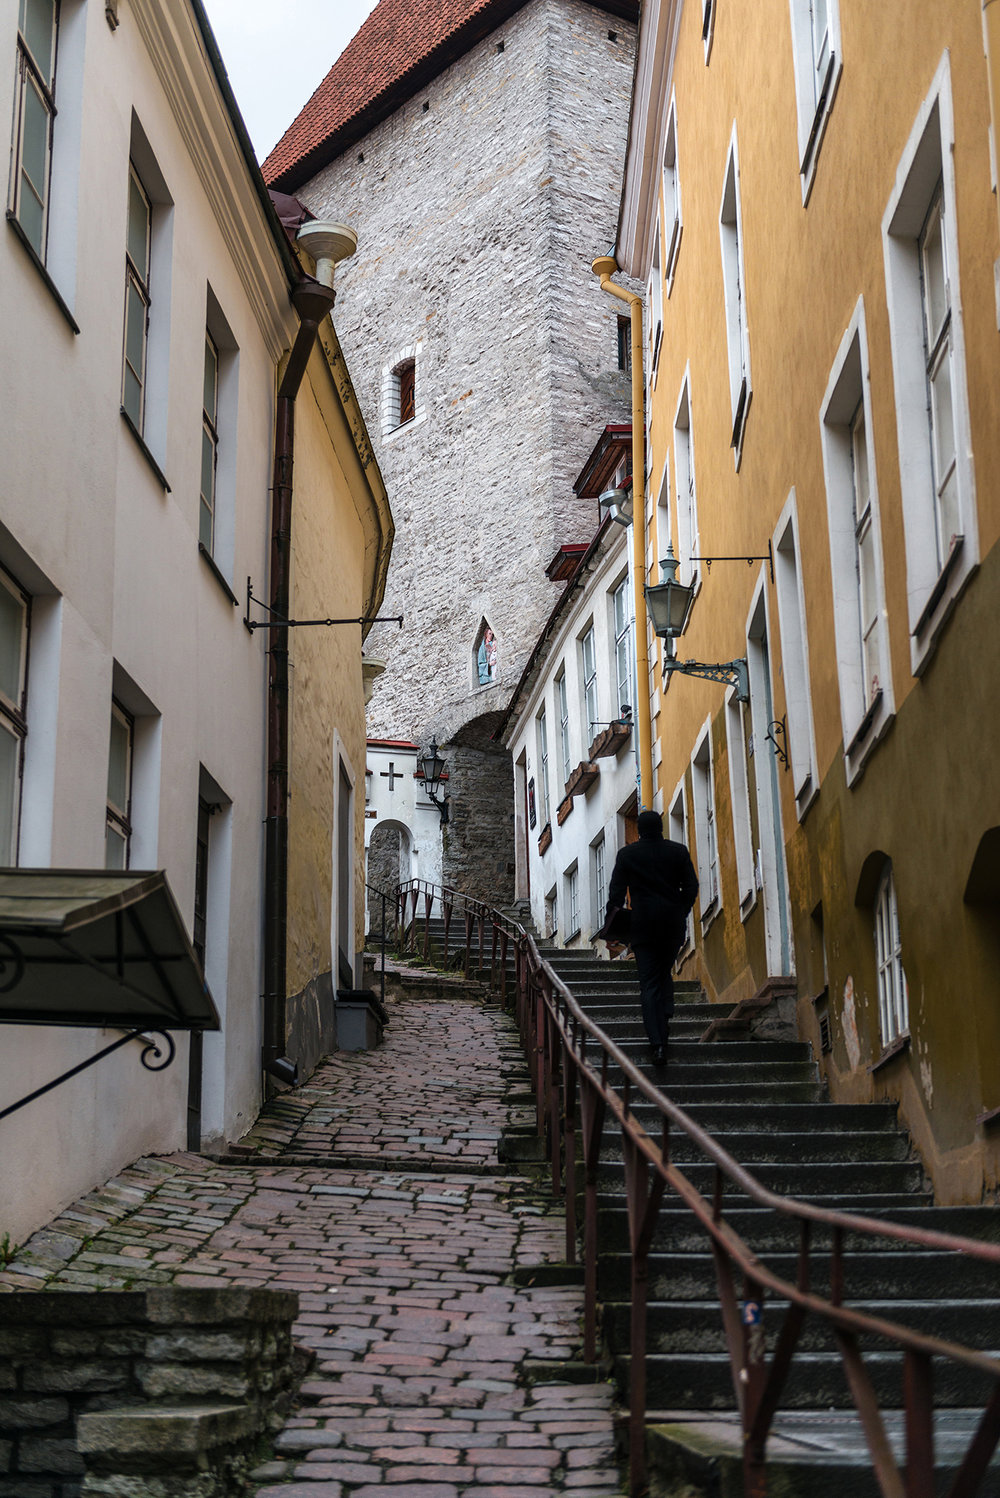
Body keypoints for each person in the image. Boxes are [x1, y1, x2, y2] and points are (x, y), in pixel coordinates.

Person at [601, 809, 698, 1067]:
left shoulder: (628, 855)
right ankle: (665, 1016)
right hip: (672, 924)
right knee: (664, 971)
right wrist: (681, 910)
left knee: (649, 981)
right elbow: (691, 886)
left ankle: (657, 1043)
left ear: (640, 831)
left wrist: (613, 925)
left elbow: (616, 896)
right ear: (661, 828)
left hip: (642, 926)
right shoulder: (678, 852)